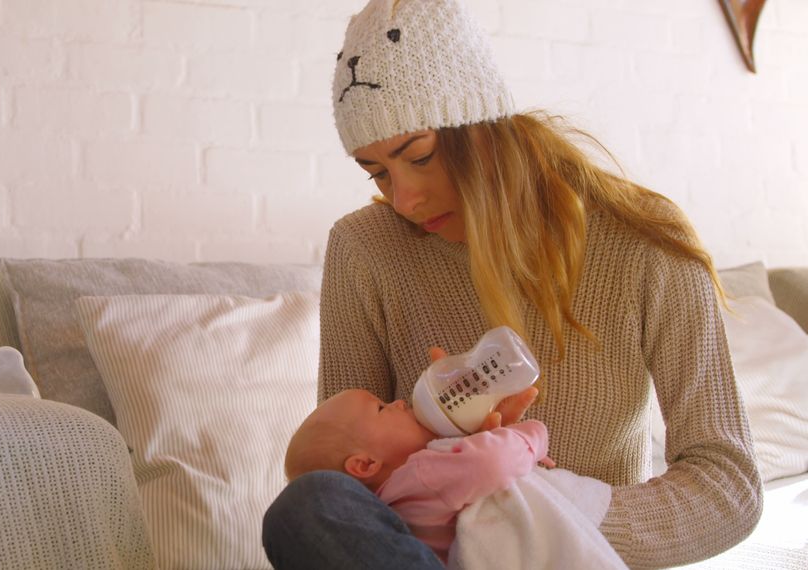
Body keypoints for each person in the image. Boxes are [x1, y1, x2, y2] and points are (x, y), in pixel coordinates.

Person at [261, 0, 762, 568]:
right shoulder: (365, 246)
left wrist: (540, 524)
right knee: (307, 505)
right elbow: (346, 482)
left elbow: (729, 486)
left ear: (485, 130)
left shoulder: (643, 243)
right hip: (429, 555)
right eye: (377, 172)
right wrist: (434, 440)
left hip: (578, 552)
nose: (403, 199)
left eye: (419, 156)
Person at [283, 388, 626, 569]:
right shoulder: (423, 472)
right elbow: (492, 462)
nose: (400, 401)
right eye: (382, 407)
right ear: (365, 464)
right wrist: (531, 436)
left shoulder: (391, 508)